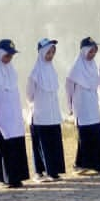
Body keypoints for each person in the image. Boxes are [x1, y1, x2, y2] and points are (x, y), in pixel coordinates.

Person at [0, 39, 30, 188]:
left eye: (11, 55)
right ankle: (6, 178)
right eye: (7, 55)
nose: (9, 58)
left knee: (16, 144)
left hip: (14, 115)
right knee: (4, 146)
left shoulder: (12, 70)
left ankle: (17, 177)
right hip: (0, 115)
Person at [26, 39, 66, 180]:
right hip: (40, 115)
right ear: (42, 53)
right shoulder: (35, 73)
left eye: (52, 52)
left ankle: (53, 171)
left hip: (53, 115)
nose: (50, 55)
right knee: (41, 145)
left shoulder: (52, 70)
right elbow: (29, 95)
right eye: (48, 52)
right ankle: (39, 172)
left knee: (53, 143)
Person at [66, 37, 100, 174]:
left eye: (95, 51)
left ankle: (97, 163)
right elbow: (69, 89)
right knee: (84, 137)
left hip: (93, 106)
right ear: (84, 51)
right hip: (81, 107)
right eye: (90, 51)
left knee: (96, 134)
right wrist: (69, 107)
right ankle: (80, 164)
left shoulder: (93, 66)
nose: (93, 54)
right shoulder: (75, 69)